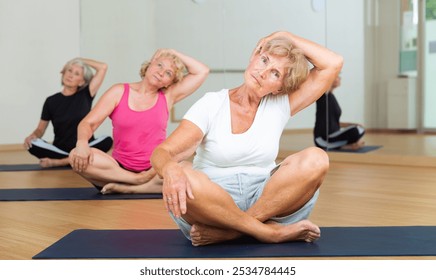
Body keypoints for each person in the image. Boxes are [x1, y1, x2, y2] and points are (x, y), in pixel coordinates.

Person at [150, 31, 343, 246]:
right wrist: (170, 169)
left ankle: (233, 233)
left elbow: (333, 63)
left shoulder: (280, 104)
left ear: (280, 87)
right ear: (253, 56)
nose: (262, 72)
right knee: (185, 172)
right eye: (264, 60)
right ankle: (269, 232)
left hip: (269, 200)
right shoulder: (212, 104)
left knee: (317, 158)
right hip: (211, 204)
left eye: (275, 73)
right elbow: (163, 153)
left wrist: (283, 34)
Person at [69, 49, 209, 194]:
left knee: (189, 172)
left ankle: (131, 189)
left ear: (169, 83)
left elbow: (202, 71)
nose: (161, 72)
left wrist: (170, 51)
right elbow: (88, 123)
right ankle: (135, 182)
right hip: (118, 169)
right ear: (148, 65)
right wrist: (82, 143)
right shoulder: (118, 91)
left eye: (168, 73)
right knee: (75, 155)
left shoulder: (168, 96)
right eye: (159, 65)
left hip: (155, 169)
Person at [24, 58, 113, 168]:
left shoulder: (86, 94)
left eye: (76, 73)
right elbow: (40, 130)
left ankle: (60, 162)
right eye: (69, 70)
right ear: (63, 73)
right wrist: (32, 136)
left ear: (82, 81)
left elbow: (103, 67)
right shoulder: (51, 101)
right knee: (32, 144)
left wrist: (78, 59)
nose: (70, 75)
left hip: (84, 147)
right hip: (60, 150)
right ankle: (74, 158)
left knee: (107, 141)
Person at [313, 74, 365, 150]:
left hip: (334, 135)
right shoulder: (324, 96)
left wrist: (352, 124)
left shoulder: (332, 96)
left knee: (360, 129)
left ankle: (347, 145)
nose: (340, 78)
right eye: (337, 76)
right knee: (356, 131)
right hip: (322, 139)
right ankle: (347, 146)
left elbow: (335, 122)